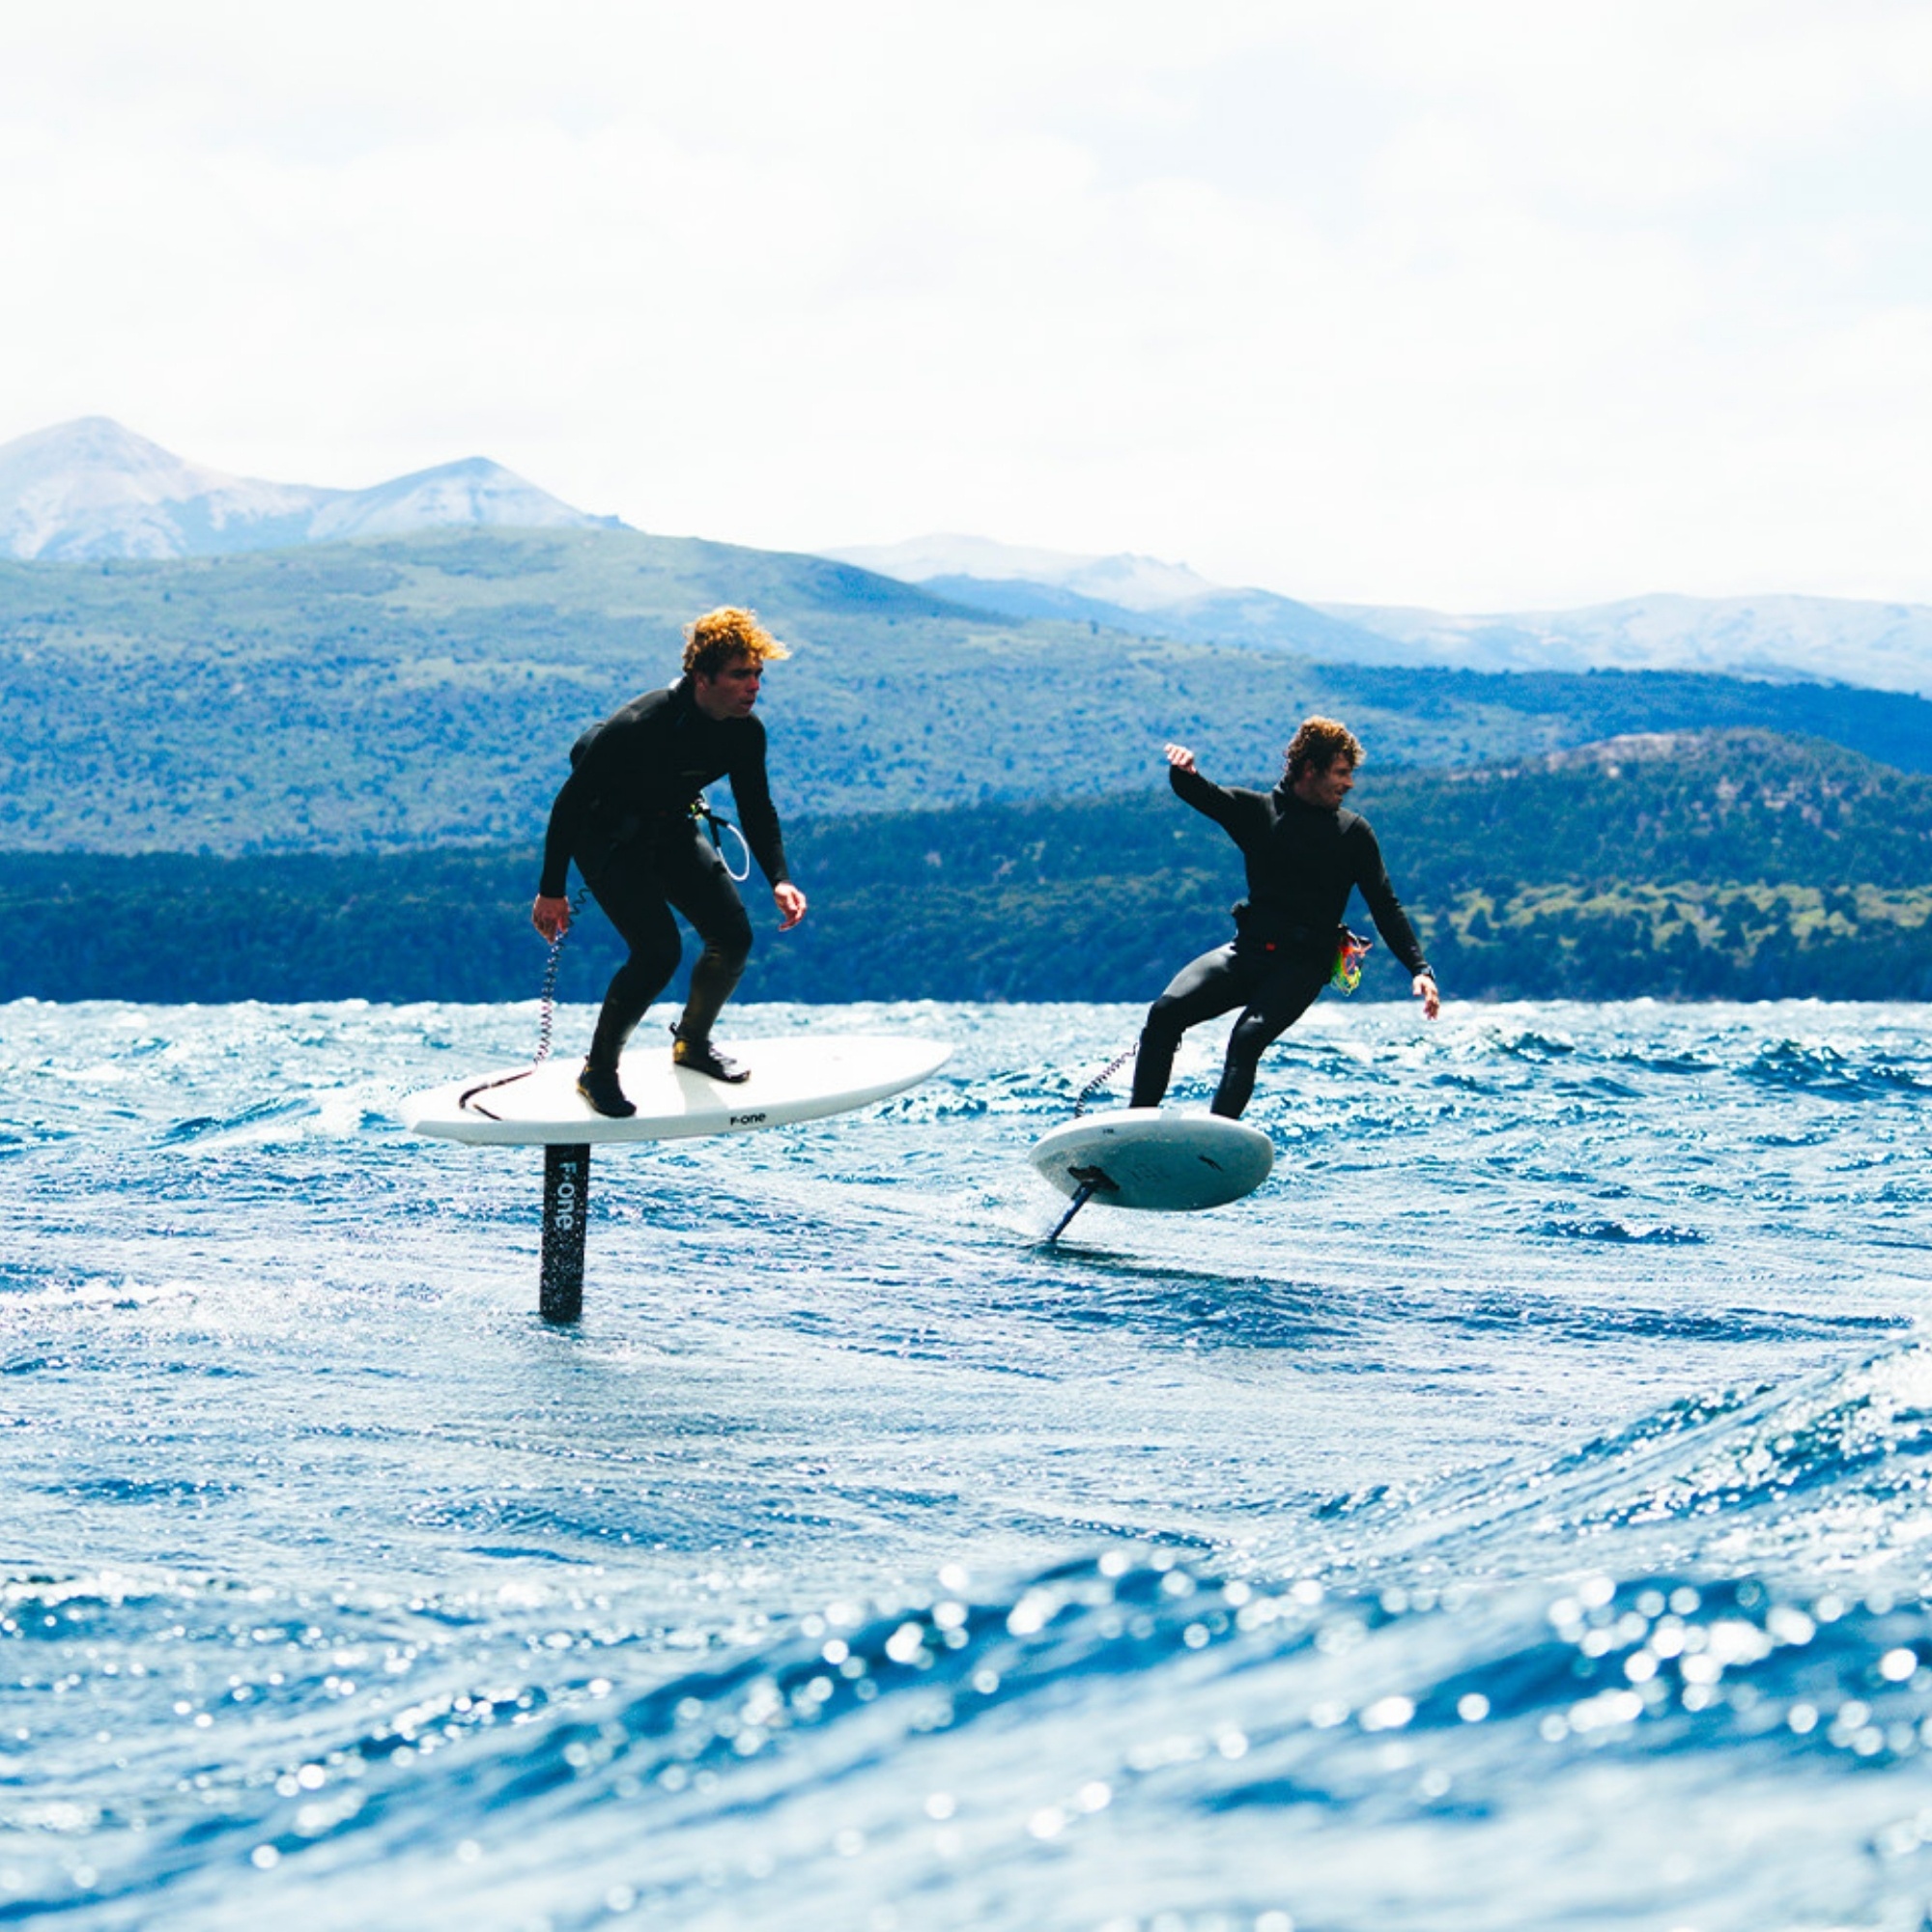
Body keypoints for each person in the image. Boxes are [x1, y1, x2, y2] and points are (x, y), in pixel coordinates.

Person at [530, 608, 808, 1119]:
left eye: (757, 674)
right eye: (740, 675)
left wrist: (780, 879)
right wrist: (552, 890)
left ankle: (692, 1044)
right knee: (657, 952)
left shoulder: (745, 732)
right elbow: (568, 806)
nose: (753, 686)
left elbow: (756, 806)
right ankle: (598, 1071)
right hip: (606, 838)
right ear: (703, 678)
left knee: (733, 937)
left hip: (671, 828)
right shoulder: (640, 723)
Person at [1127, 716, 1439, 1119]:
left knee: (1246, 1038)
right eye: (1341, 773)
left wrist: (1419, 969)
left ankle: (1216, 1142)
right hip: (1247, 952)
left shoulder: (1353, 834)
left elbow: (1385, 905)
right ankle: (1132, 1129)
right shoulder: (1258, 812)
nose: (1350, 784)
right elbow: (1202, 794)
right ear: (1310, 769)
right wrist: (1182, 770)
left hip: (1301, 967)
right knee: (1164, 1014)